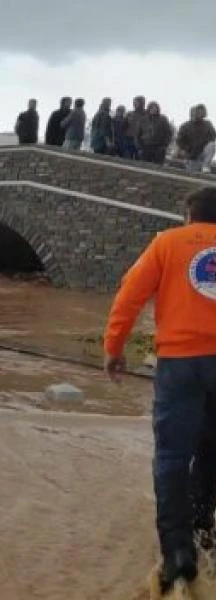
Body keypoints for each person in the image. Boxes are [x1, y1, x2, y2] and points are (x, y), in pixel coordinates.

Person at [103, 186, 216, 595]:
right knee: (211, 445)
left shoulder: (167, 244)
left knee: (171, 455)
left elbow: (129, 297)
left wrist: (114, 349)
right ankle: (204, 524)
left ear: (189, 215)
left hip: (180, 363)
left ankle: (177, 552)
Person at [177, 105, 216, 173]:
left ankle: (206, 165)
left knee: (212, 145)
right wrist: (186, 149)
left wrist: (205, 142)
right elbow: (179, 140)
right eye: (195, 113)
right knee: (192, 173)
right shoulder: (185, 126)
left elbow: (213, 136)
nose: (197, 114)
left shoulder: (208, 124)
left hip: (204, 152)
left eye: (200, 113)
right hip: (192, 155)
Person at [125, 96, 148, 160]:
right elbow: (123, 127)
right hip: (129, 139)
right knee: (127, 158)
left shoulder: (147, 115)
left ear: (142, 103)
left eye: (136, 103)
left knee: (139, 160)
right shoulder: (130, 114)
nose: (134, 104)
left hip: (141, 141)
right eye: (134, 102)